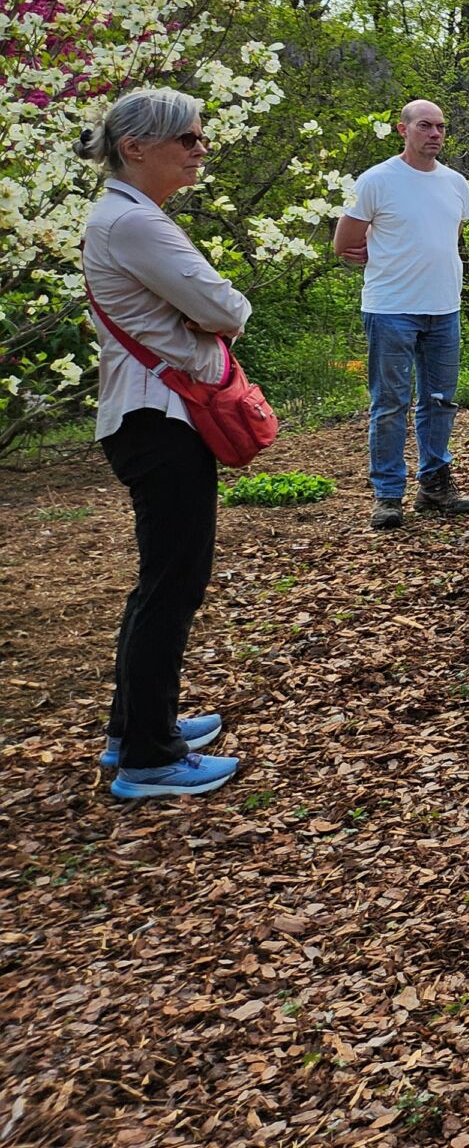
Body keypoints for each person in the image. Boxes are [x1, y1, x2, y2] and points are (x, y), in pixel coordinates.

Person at [77, 89, 250, 799]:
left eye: (200, 138)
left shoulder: (127, 217)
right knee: (173, 585)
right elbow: (226, 307)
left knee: (161, 583)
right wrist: (217, 315)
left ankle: (136, 729)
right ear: (135, 148)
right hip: (162, 419)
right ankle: (150, 756)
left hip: (149, 416)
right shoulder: (136, 225)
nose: (199, 149)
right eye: (186, 139)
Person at [332, 99, 469, 529]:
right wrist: (377, 255)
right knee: (390, 403)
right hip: (390, 308)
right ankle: (388, 494)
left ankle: (434, 484)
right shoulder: (376, 180)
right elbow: (345, 245)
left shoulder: (455, 182)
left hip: (444, 307)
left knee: (440, 402)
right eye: (424, 126)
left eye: (440, 127)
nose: (434, 133)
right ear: (403, 130)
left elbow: (450, 237)